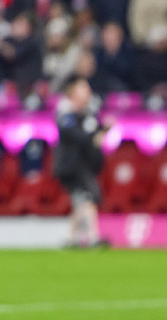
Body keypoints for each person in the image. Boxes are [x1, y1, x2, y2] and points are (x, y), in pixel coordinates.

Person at [53, 77, 110, 248]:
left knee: (81, 199)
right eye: (83, 88)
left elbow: (94, 136)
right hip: (70, 165)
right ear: (73, 92)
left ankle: (71, 239)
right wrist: (95, 135)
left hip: (84, 165)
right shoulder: (66, 114)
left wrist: (102, 131)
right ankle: (93, 237)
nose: (88, 91)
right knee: (88, 197)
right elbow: (77, 137)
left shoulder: (89, 115)